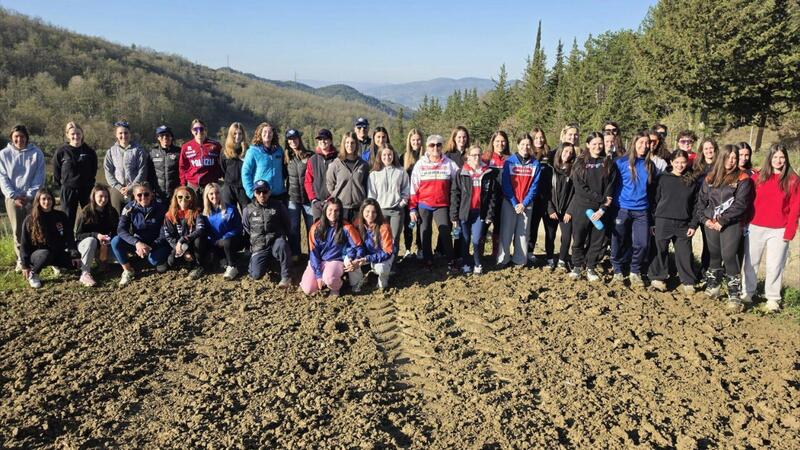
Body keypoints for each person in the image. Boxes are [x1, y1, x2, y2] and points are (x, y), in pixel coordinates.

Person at [694, 144, 754, 311]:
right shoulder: (710, 177)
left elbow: (741, 204)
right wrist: (705, 219)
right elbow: (701, 201)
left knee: (729, 256)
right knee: (714, 254)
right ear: (722, 158)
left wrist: (723, 220)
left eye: (735, 158)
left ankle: (734, 294)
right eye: (728, 157)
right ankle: (713, 286)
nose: (731, 161)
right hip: (711, 223)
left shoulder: (743, 178)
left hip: (730, 223)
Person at [742, 144, 800, 311]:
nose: (778, 160)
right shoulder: (758, 178)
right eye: (775, 157)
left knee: (775, 265)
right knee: (751, 262)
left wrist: (790, 230)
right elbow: (747, 201)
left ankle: (773, 298)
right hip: (755, 226)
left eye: (781, 157)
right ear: (769, 158)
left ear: (786, 159)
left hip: (779, 229)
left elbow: (795, 208)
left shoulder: (793, 180)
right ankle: (747, 292)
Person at [648, 150, 699, 294]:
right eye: (676, 162)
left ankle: (688, 281)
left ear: (687, 163)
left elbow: (696, 205)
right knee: (660, 250)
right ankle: (658, 278)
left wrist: (693, 224)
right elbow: (655, 200)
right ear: (671, 162)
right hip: (663, 220)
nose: (680, 165)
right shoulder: (663, 178)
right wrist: (653, 221)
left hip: (683, 223)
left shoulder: (691, 181)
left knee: (684, 253)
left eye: (683, 162)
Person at [569, 132, 617, 282]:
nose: (598, 146)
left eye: (600, 143)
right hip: (582, 208)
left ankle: (591, 267)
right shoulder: (579, 163)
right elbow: (580, 188)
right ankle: (577, 266)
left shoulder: (608, 163)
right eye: (594, 144)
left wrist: (603, 208)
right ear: (588, 145)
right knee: (578, 239)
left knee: (597, 240)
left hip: (600, 210)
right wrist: (601, 199)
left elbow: (610, 187)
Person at [611, 131, 655, 286]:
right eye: (641, 142)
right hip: (622, 208)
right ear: (634, 143)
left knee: (642, 243)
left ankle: (634, 271)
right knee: (618, 240)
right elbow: (612, 184)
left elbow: (652, 189)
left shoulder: (650, 165)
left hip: (642, 210)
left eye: (647, 143)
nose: (644, 146)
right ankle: (617, 270)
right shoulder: (620, 162)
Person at [409, 134, 459, 268]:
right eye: (432, 145)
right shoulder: (420, 164)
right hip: (424, 204)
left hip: (442, 204)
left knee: (445, 232)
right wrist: (412, 208)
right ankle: (428, 259)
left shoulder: (449, 163)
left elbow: (459, 180)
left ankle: (451, 259)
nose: (435, 148)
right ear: (427, 147)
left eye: (438, 145)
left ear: (442, 147)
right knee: (425, 232)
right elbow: (413, 187)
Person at [0, 125, 45, 271]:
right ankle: (21, 258)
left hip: (33, 197)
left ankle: (37, 255)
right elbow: (3, 177)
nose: (19, 139)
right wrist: (14, 195)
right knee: (18, 229)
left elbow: (39, 176)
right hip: (13, 198)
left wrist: (30, 195)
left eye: (22, 136)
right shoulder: (3, 154)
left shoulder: (36, 153)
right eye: (16, 137)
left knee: (36, 227)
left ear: (27, 137)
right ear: (11, 138)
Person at [300, 198, 364, 297]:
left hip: (336, 261)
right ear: (325, 210)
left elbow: (358, 246)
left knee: (329, 279)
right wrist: (318, 275)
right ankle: (321, 280)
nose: (333, 213)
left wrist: (355, 259)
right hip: (319, 261)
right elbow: (313, 253)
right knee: (308, 289)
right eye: (330, 210)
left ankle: (336, 287)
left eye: (336, 210)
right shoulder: (315, 228)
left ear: (340, 212)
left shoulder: (347, 227)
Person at [19, 189, 81, 289]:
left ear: (53, 200)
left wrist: (75, 255)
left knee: (76, 264)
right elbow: (24, 244)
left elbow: (69, 237)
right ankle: (34, 274)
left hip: (56, 252)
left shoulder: (61, 216)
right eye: (43, 199)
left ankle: (55, 265)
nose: (47, 202)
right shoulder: (30, 219)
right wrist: (25, 265)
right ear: (38, 201)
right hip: (38, 254)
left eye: (49, 199)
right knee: (46, 255)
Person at [110, 182, 170, 286]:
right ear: (134, 195)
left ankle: (157, 258)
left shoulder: (161, 208)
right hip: (139, 242)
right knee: (116, 241)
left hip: (157, 243)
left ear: (152, 194)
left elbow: (165, 231)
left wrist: (151, 247)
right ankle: (128, 270)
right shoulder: (128, 208)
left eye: (146, 194)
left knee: (153, 260)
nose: (143, 197)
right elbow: (121, 230)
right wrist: (137, 243)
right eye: (139, 195)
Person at [497, 133, 541, 267]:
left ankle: (519, 260)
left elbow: (534, 187)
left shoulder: (535, 164)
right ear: (517, 145)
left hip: (526, 204)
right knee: (506, 232)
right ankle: (503, 259)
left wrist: (524, 203)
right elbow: (506, 184)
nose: (525, 147)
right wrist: (515, 203)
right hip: (510, 202)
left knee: (523, 233)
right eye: (522, 144)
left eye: (528, 144)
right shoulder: (509, 162)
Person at [450, 145, 496, 274]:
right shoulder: (461, 172)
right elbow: (455, 194)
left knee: (476, 240)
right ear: (468, 157)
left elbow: (492, 196)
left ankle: (478, 263)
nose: (477, 157)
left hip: (479, 213)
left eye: (479, 155)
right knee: (465, 240)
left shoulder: (488, 173)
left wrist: (490, 214)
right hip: (464, 212)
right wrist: (454, 215)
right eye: (474, 155)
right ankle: (466, 264)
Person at [242, 180, 292, 285]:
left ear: (269, 192)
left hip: (275, 243)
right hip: (259, 246)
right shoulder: (248, 210)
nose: (262, 195)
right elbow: (247, 228)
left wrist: (282, 237)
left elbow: (287, 224)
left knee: (282, 244)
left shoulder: (278, 206)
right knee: (256, 275)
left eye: (265, 191)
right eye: (258, 192)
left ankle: (286, 277)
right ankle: (265, 263)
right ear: (254, 193)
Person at [52, 121, 97, 230]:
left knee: (89, 217)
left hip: (86, 189)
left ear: (82, 134)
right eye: (72, 134)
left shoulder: (89, 151)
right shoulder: (61, 152)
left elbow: (94, 170)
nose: (76, 136)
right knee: (67, 218)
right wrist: (63, 186)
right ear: (67, 135)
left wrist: (89, 183)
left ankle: (86, 237)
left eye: (78, 133)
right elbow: (56, 172)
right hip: (68, 190)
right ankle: (68, 239)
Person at [75, 184, 120, 287]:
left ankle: (103, 262)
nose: (103, 199)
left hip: (104, 244)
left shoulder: (112, 211)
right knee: (92, 240)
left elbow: (116, 230)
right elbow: (78, 235)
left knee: (117, 258)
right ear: (94, 197)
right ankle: (85, 273)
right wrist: (96, 235)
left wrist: (108, 239)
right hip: (87, 244)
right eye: (100, 196)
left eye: (106, 196)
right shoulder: (86, 212)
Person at [368, 146, 409, 252]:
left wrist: (402, 203)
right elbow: (371, 194)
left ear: (393, 155)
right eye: (384, 155)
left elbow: (406, 189)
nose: (387, 157)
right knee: (381, 237)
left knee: (395, 238)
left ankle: (393, 261)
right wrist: (374, 210)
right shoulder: (374, 174)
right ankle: (382, 259)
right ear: (380, 156)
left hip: (396, 210)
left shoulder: (401, 171)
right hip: (380, 211)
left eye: (390, 154)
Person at [347, 198, 395, 290]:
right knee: (348, 261)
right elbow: (352, 244)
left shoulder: (384, 227)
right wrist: (354, 257)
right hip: (364, 254)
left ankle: (383, 279)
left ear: (378, 213)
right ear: (362, 211)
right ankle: (357, 282)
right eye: (367, 211)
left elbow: (387, 252)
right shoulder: (356, 223)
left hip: (381, 255)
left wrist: (367, 258)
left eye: (374, 212)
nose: (370, 215)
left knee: (381, 269)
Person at [163, 187, 208, 279]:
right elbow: (169, 236)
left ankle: (199, 265)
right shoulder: (169, 215)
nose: (183, 200)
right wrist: (184, 252)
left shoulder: (196, 212)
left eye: (187, 197)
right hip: (180, 245)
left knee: (199, 240)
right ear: (175, 198)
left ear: (192, 199)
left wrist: (184, 239)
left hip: (193, 242)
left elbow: (201, 229)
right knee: (171, 262)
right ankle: (188, 262)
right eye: (180, 197)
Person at [104, 121, 149, 213]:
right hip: (117, 189)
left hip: (135, 188)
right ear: (116, 135)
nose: (123, 136)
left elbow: (142, 171)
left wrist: (131, 187)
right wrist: (118, 187)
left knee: (135, 215)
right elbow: (108, 171)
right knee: (116, 215)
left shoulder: (139, 150)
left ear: (130, 134)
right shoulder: (111, 151)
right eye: (120, 133)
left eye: (126, 133)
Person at [202, 182, 244, 280]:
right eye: (211, 194)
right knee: (212, 261)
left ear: (221, 194)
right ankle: (226, 260)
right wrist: (215, 242)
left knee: (228, 242)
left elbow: (238, 227)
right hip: (216, 243)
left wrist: (224, 239)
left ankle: (232, 266)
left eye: (217, 193)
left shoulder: (231, 209)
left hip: (231, 241)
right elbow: (206, 232)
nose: (214, 196)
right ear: (207, 196)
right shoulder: (205, 214)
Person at [528, 127, 557, 268]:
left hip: (549, 198)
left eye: (541, 137)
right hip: (534, 198)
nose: (539, 140)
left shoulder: (550, 154)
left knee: (550, 230)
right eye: (536, 138)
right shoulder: (528, 154)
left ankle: (550, 257)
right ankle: (529, 253)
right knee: (532, 228)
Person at [326, 131, 369, 222]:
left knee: (357, 231)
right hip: (341, 207)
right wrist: (337, 195)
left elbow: (366, 184)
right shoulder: (336, 164)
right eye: (347, 142)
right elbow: (330, 183)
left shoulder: (363, 164)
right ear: (343, 144)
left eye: (352, 143)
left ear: (356, 144)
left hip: (358, 207)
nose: (350, 145)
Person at [285, 128, 314, 259]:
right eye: (290, 139)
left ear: (299, 139)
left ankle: (312, 255)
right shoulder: (286, 158)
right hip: (293, 198)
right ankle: (295, 254)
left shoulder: (309, 155)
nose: (293, 141)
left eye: (295, 138)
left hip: (308, 199)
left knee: (311, 228)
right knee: (293, 227)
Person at [548, 142, 576, 271]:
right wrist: (550, 209)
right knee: (550, 235)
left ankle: (562, 260)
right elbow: (545, 192)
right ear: (560, 152)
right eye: (566, 151)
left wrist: (570, 211)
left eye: (571, 153)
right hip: (552, 210)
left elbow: (575, 193)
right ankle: (549, 259)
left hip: (566, 211)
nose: (568, 154)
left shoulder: (573, 171)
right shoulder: (551, 169)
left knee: (566, 236)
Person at [242, 121, 287, 203]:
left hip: (279, 195)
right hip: (262, 195)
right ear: (260, 134)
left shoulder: (279, 150)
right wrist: (251, 193)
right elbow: (245, 173)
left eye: (270, 132)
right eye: (265, 132)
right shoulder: (253, 151)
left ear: (273, 134)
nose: (267, 134)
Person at [483, 130, 511, 258]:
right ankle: (479, 254)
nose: (500, 144)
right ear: (493, 142)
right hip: (488, 200)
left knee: (499, 227)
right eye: (497, 141)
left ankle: (496, 253)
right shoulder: (485, 158)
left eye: (503, 141)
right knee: (484, 226)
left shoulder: (510, 159)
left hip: (504, 199)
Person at [693, 137, 718, 276]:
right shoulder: (696, 167)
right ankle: (687, 268)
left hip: (709, 209)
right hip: (695, 207)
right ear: (702, 151)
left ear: (715, 149)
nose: (708, 151)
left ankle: (705, 270)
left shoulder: (719, 167)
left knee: (708, 242)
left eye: (711, 148)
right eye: (706, 148)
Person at [179, 119, 223, 197]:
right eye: (195, 129)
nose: (199, 131)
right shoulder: (185, 147)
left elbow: (222, 163)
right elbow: (182, 167)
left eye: (201, 129)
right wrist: (183, 184)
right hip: (192, 186)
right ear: (192, 131)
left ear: (205, 130)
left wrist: (218, 176)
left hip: (210, 186)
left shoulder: (216, 145)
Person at [305, 128, 338, 220]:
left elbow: (341, 181)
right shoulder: (312, 159)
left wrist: (332, 198)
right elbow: (308, 181)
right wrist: (313, 199)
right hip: (317, 203)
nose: (322, 141)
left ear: (331, 141)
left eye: (325, 139)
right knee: (318, 227)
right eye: (320, 139)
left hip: (334, 202)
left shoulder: (338, 158)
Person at [402, 128, 424, 259]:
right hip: (408, 195)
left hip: (422, 196)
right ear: (409, 141)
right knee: (408, 224)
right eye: (413, 140)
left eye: (418, 140)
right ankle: (408, 248)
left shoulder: (426, 156)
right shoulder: (403, 157)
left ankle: (420, 247)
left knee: (421, 223)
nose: (416, 142)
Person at [147, 125, 181, 202]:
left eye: (167, 135)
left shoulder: (179, 152)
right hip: (158, 194)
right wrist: (151, 190)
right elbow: (149, 174)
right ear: (158, 138)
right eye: (162, 135)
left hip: (175, 194)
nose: (165, 137)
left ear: (171, 137)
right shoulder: (152, 153)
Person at [221, 122, 249, 210]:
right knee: (229, 214)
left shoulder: (249, 150)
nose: (237, 136)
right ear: (231, 134)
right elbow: (223, 168)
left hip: (244, 188)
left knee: (247, 215)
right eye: (235, 133)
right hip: (229, 188)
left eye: (240, 133)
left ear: (243, 135)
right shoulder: (224, 151)